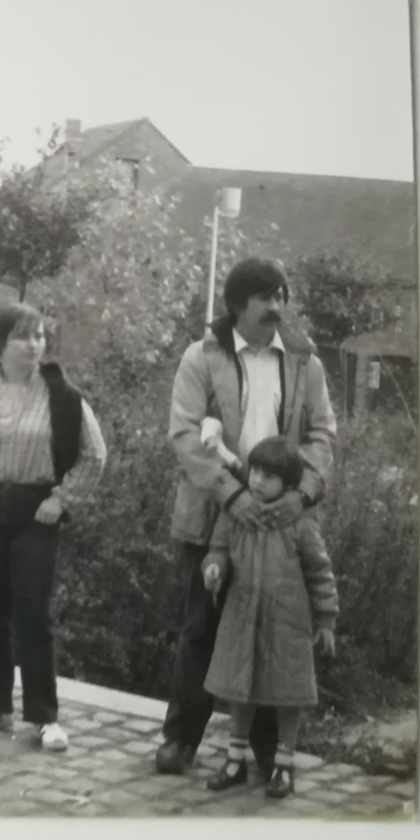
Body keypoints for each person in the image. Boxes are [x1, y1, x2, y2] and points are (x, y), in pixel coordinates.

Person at [154, 256, 337, 778]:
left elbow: (323, 436)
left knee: (271, 633)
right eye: (266, 297)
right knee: (200, 631)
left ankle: (260, 752)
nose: (277, 307)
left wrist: (299, 496)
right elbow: (185, 435)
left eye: (281, 296)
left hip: (281, 526)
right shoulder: (201, 357)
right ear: (238, 304)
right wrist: (234, 497)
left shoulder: (305, 362)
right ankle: (180, 741)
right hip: (214, 518)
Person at [0, 302, 107, 753]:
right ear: (1, 345)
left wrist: (62, 499)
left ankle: (43, 717)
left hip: (36, 512)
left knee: (33, 612)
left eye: (39, 336)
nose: (34, 345)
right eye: (23, 336)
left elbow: (94, 454)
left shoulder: (62, 396)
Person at [200, 436, 338, 799]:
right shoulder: (235, 515)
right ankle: (235, 758)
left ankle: (285, 764)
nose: (257, 481)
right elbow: (218, 551)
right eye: (255, 472)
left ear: (288, 484)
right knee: (240, 689)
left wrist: (326, 619)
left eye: (269, 476)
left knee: (288, 694)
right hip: (242, 616)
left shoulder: (300, 524)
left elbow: (320, 572)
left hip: (287, 623)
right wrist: (213, 569)